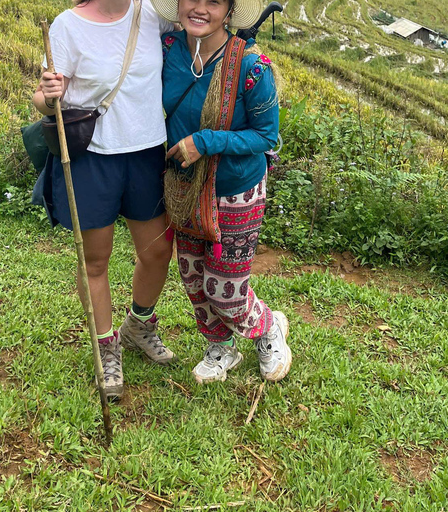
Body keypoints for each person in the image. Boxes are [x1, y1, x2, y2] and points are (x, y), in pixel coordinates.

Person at [32, 0, 178, 400]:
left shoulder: (154, 14)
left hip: (147, 151)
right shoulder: (66, 26)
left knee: (158, 251)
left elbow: (198, 28)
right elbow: (42, 101)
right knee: (95, 259)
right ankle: (106, 344)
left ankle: (139, 325)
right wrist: (49, 94)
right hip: (91, 155)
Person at [150, 0, 292, 384]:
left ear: (229, 12)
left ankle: (267, 327)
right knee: (195, 281)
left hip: (235, 190)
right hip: (185, 187)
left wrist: (205, 141)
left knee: (226, 289)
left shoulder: (250, 65)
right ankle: (221, 347)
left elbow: (266, 135)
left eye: (213, 1)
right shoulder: (167, 51)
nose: (199, 8)